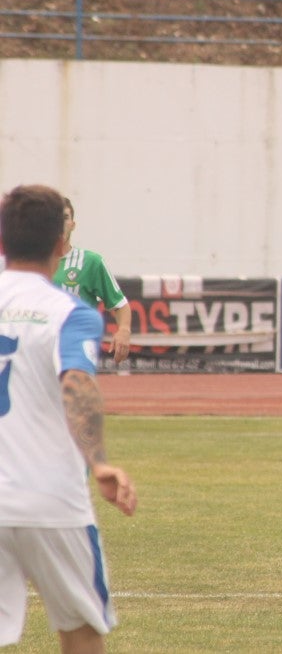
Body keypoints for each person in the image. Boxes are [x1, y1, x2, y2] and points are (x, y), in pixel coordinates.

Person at [0, 184, 139, 653]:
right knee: (81, 633)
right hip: (51, 500)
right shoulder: (69, 313)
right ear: (62, 242)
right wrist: (99, 463)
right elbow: (77, 384)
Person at [55, 198, 132, 366]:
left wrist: (124, 331)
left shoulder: (91, 262)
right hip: (41, 351)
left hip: (77, 351)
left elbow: (120, 305)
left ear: (73, 224)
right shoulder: (31, 264)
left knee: (77, 391)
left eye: (65, 217)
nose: (60, 223)